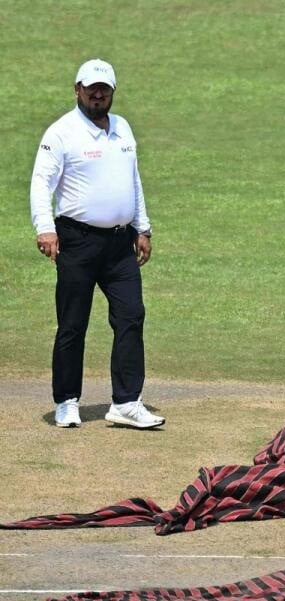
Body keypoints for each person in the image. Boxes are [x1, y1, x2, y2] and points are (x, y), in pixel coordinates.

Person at [30, 59, 164, 429]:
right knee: (73, 322)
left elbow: (132, 181)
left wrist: (143, 228)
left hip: (120, 243)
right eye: (91, 88)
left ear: (112, 92)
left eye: (104, 88)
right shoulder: (61, 133)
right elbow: (41, 183)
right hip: (76, 239)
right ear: (78, 90)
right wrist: (45, 229)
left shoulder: (122, 129)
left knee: (131, 315)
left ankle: (125, 402)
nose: (98, 94)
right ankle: (67, 400)